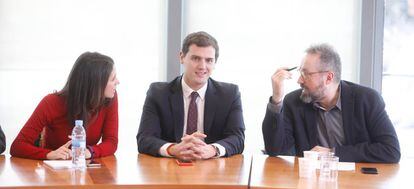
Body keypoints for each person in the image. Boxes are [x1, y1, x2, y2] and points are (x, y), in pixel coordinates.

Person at [262, 43, 400, 163]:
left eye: (305, 74)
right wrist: (276, 99)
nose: (299, 80)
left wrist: (332, 153)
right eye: (300, 73)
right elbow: (275, 150)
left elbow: (390, 150)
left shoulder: (367, 100)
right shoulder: (293, 102)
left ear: (328, 78)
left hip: (356, 182)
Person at [137, 31, 245, 160]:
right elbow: (145, 138)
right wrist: (173, 149)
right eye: (196, 58)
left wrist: (212, 149)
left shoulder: (230, 94)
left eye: (209, 60)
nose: (202, 66)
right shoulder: (158, 93)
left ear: (215, 62)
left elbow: (237, 138)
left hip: (212, 170)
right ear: (182, 57)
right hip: (170, 170)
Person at [11, 52, 120, 160]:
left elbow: (111, 141)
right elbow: (17, 146)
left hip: (83, 168)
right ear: (96, 84)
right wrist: (49, 154)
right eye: (113, 79)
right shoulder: (51, 102)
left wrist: (89, 152)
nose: (118, 82)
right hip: (54, 171)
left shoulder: (109, 99)